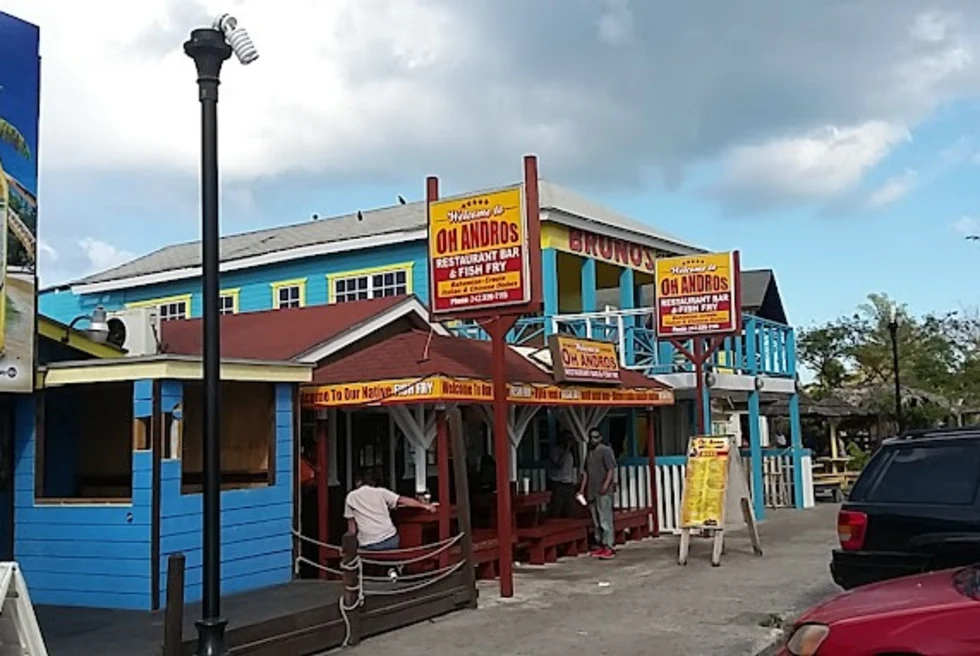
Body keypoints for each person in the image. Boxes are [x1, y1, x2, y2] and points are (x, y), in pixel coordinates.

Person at [344, 470, 437, 552]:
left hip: (367, 543)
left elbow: (352, 529)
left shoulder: (350, 497)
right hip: (389, 539)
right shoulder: (381, 492)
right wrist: (424, 505)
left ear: (358, 482)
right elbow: (402, 500)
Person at [579, 428, 617, 560]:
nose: (593, 440)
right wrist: (582, 489)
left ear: (600, 438)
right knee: (596, 522)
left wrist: (606, 485)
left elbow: (611, 470)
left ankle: (609, 546)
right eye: (591, 437)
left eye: (595, 437)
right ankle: (601, 544)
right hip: (592, 491)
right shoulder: (589, 452)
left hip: (603, 491)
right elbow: (585, 472)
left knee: (605, 520)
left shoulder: (605, 450)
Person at [547, 431, 578, 518]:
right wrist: (567, 448)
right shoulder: (555, 450)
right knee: (556, 509)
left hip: (569, 484)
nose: (569, 441)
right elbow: (559, 463)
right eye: (567, 438)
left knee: (569, 510)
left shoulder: (570, 453)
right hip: (558, 484)